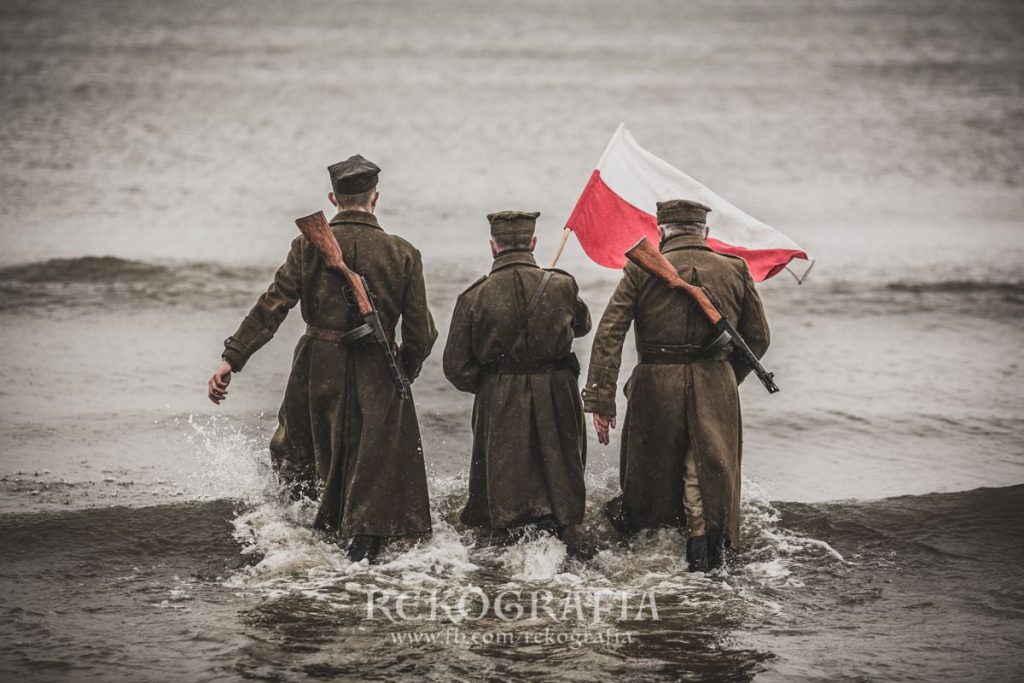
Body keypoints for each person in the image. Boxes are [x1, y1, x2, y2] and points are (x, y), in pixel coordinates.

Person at [207, 155, 437, 563]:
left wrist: (232, 358)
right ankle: (361, 545)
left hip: (316, 366)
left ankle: (299, 543)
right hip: (378, 369)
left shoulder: (305, 246)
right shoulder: (404, 253)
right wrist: (405, 369)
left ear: (334, 198)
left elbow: (273, 306)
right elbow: (422, 333)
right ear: (375, 198)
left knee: (300, 458)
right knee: (372, 462)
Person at [582, 200, 770, 572]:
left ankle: (646, 558)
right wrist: (726, 378)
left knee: (649, 477)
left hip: (655, 383)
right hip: (715, 382)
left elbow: (609, 334)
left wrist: (601, 399)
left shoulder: (639, 270)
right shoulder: (735, 269)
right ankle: (704, 556)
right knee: (706, 473)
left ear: (661, 230)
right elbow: (758, 339)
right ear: (705, 233)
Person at [443, 211, 591, 537]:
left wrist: (492, 385)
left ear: (493, 246)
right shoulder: (562, 285)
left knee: (503, 485)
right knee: (560, 476)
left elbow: (455, 368)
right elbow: (582, 326)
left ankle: (505, 535)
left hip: (500, 394)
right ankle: (561, 529)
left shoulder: (473, 296)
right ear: (533, 242)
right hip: (557, 392)